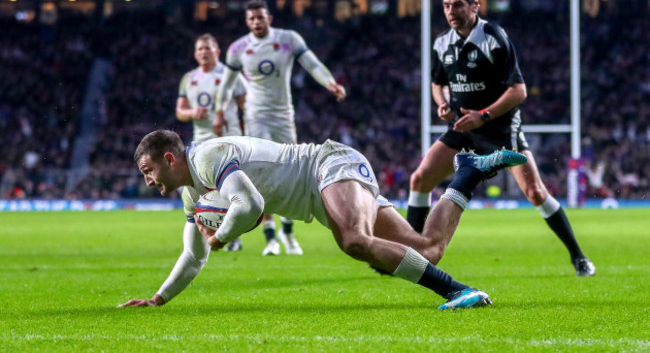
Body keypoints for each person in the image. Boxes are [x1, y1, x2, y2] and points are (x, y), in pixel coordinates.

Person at [119, 129, 527, 309]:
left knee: (353, 241)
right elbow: (193, 256)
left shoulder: (207, 157)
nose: (148, 180)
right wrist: (159, 298)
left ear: (169, 158)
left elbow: (249, 205)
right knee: (427, 250)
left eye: (148, 170)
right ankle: (469, 173)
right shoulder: (191, 193)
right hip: (320, 195)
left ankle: (460, 292)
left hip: (327, 164)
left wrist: (222, 236)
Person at [406, 0, 595, 277]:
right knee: (419, 179)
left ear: (474, 5)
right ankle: (410, 253)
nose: (450, 11)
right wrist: (442, 102)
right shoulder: (442, 42)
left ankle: (579, 257)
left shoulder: (494, 37)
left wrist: (484, 115)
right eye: (446, 5)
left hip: (499, 128)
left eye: (457, 4)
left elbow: (519, 91)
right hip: (463, 127)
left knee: (535, 192)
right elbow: (436, 82)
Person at [213, 0, 346, 256]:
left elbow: (312, 64)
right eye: (251, 19)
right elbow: (226, 85)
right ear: (247, 22)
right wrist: (219, 111)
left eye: (260, 18)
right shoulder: (238, 48)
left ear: (269, 18)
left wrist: (330, 83)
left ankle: (288, 232)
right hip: (255, 116)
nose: (256, 23)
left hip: (284, 115)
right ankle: (270, 237)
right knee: (263, 173)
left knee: (291, 171)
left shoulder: (288, 39)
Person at [176, 33, 247, 251]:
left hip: (228, 139)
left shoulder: (231, 75)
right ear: (195, 54)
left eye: (208, 48)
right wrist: (192, 113)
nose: (203, 52)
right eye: (200, 49)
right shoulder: (189, 78)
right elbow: (180, 111)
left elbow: (247, 108)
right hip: (201, 142)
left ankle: (230, 235)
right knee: (191, 189)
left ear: (217, 51)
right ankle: (212, 232)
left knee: (226, 189)